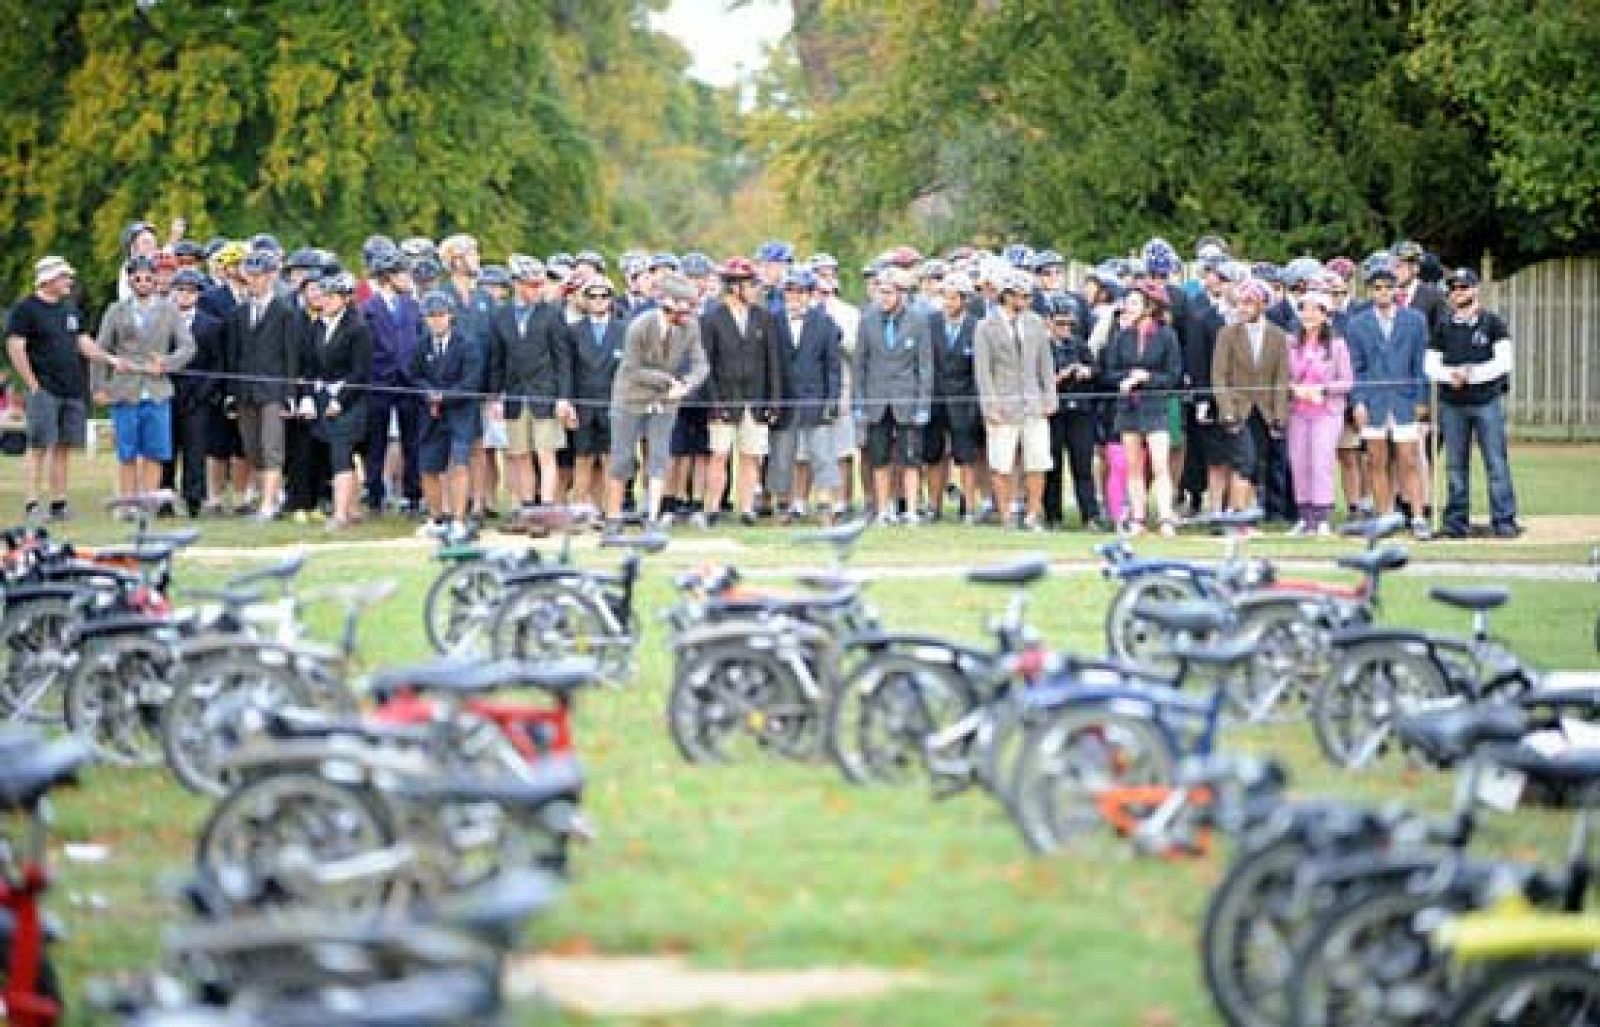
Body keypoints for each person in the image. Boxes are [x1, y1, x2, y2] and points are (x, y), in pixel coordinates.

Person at [6, 256, 125, 520]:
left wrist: (110, 359)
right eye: (64, 277)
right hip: (44, 389)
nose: (69, 281)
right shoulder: (25, 309)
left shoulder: (70, 308)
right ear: (47, 279)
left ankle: (59, 503)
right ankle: (32, 504)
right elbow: (16, 347)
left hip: (71, 388)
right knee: (38, 447)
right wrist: (33, 384)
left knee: (64, 447)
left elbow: (84, 343)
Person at [1425, 267, 1520, 538]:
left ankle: (1504, 520)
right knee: (1455, 466)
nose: (1458, 292)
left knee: (1496, 463)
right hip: (1452, 404)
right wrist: (1450, 375)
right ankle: (1455, 523)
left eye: (1463, 287)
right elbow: (1430, 364)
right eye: (1453, 288)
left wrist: (1471, 374)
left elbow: (1505, 362)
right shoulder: (1443, 326)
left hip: (1486, 401)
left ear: (1475, 289)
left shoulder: (1493, 323)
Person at [94, 254, 196, 502]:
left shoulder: (169, 310)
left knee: (156, 451)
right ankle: (128, 502)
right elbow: (100, 350)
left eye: (148, 277)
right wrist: (98, 386)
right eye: (137, 277)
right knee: (127, 452)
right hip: (124, 390)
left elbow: (188, 346)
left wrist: (166, 364)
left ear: (156, 279)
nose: (143, 281)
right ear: (129, 280)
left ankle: (148, 503)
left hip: (158, 390)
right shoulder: (115, 311)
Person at [609, 273, 708, 523]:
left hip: (666, 400)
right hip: (630, 397)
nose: (689, 311)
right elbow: (631, 368)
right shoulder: (639, 326)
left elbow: (701, 365)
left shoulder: (691, 326)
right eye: (685, 304)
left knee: (659, 457)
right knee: (622, 460)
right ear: (668, 303)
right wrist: (667, 381)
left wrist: (686, 385)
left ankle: (652, 517)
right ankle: (612, 519)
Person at [1346, 259, 1431, 538]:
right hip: (1372, 402)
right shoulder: (1358, 324)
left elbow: (1420, 364)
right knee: (1376, 460)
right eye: (1377, 287)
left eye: (1387, 287)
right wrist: (1357, 401)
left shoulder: (1414, 321)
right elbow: (1355, 368)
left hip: (1404, 400)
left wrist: (1422, 400)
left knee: (1409, 459)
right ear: (1370, 290)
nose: (1382, 292)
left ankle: (1418, 516)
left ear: (1396, 289)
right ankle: (1384, 516)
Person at [701, 256, 782, 525]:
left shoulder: (764, 318)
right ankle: (711, 508)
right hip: (724, 398)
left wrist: (774, 401)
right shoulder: (711, 319)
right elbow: (706, 365)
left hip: (755, 399)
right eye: (750, 284)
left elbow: (773, 362)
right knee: (719, 455)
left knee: (751, 456)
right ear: (734, 286)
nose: (755, 289)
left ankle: (747, 508)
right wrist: (713, 402)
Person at [974, 270, 1057, 531]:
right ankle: (1006, 515)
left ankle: (1033, 514)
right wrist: (990, 405)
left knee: (1038, 460)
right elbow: (983, 370)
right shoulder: (985, 326)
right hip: (1003, 404)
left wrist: (1050, 396)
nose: (1027, 301)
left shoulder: (1035, 323)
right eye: (1022, 296)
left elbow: (1045, 363)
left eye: (1028, 296)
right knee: (1001, 462)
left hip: (1033, 403)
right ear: (1007, 296)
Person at [853, 267, 934, 525]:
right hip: (877, 400)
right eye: (880, 292)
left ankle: (910, 509)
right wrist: (859, 401)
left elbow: (925, 366)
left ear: (901, 293)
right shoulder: (867, 320)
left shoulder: (918, 321)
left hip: (907, 400)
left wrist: (923, 404)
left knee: (910, 458)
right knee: (879, 458)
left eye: (889, 293)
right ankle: (883, 509)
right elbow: (860, 364)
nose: (884, 298)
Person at [1102, 282, 1184, 535]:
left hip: (1156, 406)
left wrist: (1146, 377)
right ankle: (1138, 517)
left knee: (1160, 465)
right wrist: (1125, 379)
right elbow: (1109, 372)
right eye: (1128, 302)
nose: (1129, 307)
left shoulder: (1166, 335)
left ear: (1149, 307)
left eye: (1135, 302)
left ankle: (1165, 517)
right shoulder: (1120, 337)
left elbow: (1173, 375)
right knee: (1134, 466)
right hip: (1128, 409)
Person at [492, 254, 572, 512]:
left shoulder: (552, 315)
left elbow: (563, 360)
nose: (538, 290)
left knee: (546, 453)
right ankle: (527, 506)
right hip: (515, 396)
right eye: (531, 285)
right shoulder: (501, 315)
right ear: (516, 284)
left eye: (540, 284)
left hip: (545, 395)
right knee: (520, 454)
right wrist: (495, 397)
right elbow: (497, 360)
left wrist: (563, 398)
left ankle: (547, 507)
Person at [224, 247, 299, 521]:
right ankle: (269, 494)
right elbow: (233, 356)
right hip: (245, 392)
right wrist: (231, 394)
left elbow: (291, 356)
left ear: (270, 277)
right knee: (251, 447)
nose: (254, 280)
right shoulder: (238, 313)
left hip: (273, 391)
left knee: (271, 447)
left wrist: (290, 393)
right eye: (251, 275)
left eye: (260, 275)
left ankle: (268, 505)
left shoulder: (284, 311)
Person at [767, 270, 843, 525]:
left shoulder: (824, 323)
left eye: (800, 291)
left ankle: (824, 505)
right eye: (789, 291)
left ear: (810, 295)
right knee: (782, 456)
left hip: (816, 399)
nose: (794, 296)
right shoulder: (773, 321)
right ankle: (783, 507)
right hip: (784, 400)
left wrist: (832, 401)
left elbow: (833, 367)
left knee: (822, 455)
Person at [1213, 279, 1291, 524]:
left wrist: (1279, 416)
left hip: (1264, 411)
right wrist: (1227, 410)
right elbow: (1219, 375)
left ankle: (1246, 514)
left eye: (1249, 303)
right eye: (1240, 303)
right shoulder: (1227, 334)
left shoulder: (1278, 337)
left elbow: (1281, 379)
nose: (1243, 308)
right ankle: (1238, 518)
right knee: (1244, 460)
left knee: (1256, 464)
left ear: (1262, 304)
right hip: (1238, 409)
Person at [302, 272, 372, 531]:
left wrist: (340, 401)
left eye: (332, 296)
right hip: (322, 396)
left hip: (349, 399)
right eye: (324, 295)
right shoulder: (317, 325)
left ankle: (341, 514)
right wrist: (308, 397)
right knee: (335, 451)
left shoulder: (358, 328)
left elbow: (360, 372)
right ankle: (352, 509)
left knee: (341, 453)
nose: (326, 300)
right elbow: (309, 364)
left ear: (345, 299)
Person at [411, 291, 483, 539]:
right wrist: (428, 394)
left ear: (450, 315)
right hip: (429, 415)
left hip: (461, 414)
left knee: (459, 464)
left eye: (440, 315)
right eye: (430, 316)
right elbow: (413, 377)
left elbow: (472, 381)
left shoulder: (467, 344)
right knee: (428, 466)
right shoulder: (420, 345)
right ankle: (437, 518)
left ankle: (459, 520)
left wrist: (444, 397)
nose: (436, 320)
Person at [359, 248, 423, 515]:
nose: (408, 277)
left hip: (408, 383)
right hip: (379, 382)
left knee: (412, 441)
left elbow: (417, 342)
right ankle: (375, 495)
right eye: (402, 272)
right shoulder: (368, 309)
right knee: (376, 442)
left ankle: (413, 495)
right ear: (388, 276)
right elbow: (365, 349)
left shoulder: (412, 306)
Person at [1285, 288, 1353, 536]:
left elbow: (1347, 381)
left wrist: (1323, 390)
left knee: (1321, 462)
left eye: (1315, 309)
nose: (1309, 314)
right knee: (1299, 462)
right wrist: (1294, 389)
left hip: (1326, 412)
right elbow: (1283, 376)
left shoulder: (1337, 345)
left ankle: (1322, 516)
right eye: (1305, 309)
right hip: (1298, 411)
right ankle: (1304, 517)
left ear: (1325, 314)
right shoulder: (1291, 344)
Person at [924, 272, 987, 523]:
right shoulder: (930, 323)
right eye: (945, 297)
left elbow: (979, 369)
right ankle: (933, 506)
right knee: (934, 456)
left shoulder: (976, 326)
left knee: (966, 457)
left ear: (964, 299)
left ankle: (969, 508)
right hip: (935, 399)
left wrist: (975, 402)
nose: (948, 303)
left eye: (953, 298)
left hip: (964, 401)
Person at [167, 268, 225, 517]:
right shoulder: (163, 321)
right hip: (167, 393)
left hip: (198, 397)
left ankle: (194, 499)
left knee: (195, 449)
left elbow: (218, 364)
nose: (185, 296)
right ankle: (165, 497)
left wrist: (203, 393)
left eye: (191, 291)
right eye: (180, 290)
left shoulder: (210, 325)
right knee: (167, 449)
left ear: (198, 294)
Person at [1043, 296, 1103, 530]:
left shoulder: (1078, 345)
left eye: (1069, 324)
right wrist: (1058, 378)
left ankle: (1090, 515)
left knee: (1083, 464)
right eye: (1060, 324)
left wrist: (1086, 371)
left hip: (1080, 411)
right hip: (1054, 411)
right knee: (1053, 464)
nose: (1065, 329)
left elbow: (1097, 370)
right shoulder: (1043, 346)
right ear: (1048, 322)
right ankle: (1053, 515)